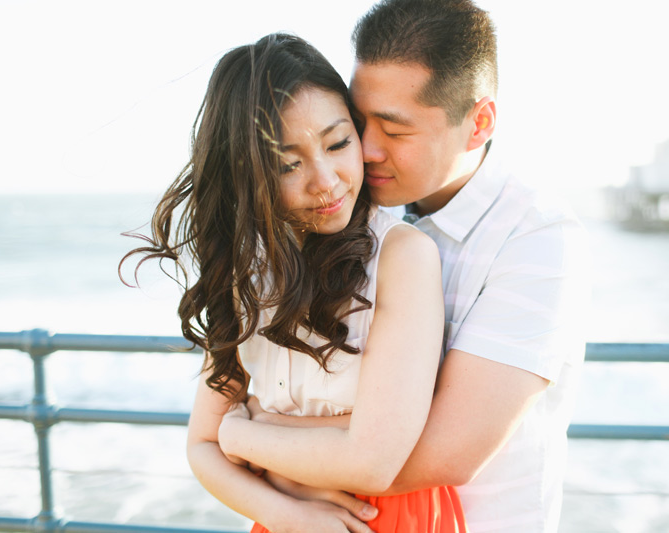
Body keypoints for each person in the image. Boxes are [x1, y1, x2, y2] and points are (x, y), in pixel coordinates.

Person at [249, 1, 591, 531]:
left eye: (394, 129)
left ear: (478, 123)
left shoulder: (537, 238)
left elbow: (442, 454)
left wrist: (252, 441)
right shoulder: (350, 218)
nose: (364, 149)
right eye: (358, 122)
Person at [121, 33, 469, 532]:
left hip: (383, 519)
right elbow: (200, 445)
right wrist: (282, 512)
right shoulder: (248, 270)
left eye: (338, 143)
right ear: (248, 171)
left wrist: (242, 435)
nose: (325, 180)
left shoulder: (402, 255)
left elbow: (373, 462)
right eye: (289, 163)